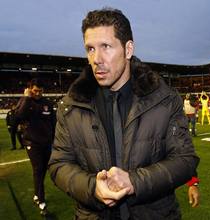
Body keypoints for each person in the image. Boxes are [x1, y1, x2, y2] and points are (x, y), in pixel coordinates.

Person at [48, 8, 199, 220]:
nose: (96, 59)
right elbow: (59, 164)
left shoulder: (164, 99)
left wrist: (134, 182)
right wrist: (92, 188)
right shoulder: (71, 106)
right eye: (90, 49)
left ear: (128, 50)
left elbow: (184, 160)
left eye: (106, 47)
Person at [15, 78, 56, 215]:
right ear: (30, 89)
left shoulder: (48, 104)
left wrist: (54, 140)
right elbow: (18, 116)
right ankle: (42, 202)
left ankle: (37, 194)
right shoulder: (25, 101)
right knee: (38, 170)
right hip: (32, 144)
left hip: (47, 144)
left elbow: (53, 123)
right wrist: (27, 98)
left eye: (40, 90)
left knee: (43, 170)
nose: (38, 93)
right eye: (35, 90)